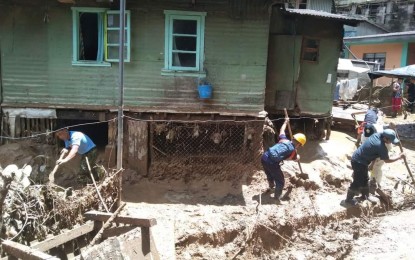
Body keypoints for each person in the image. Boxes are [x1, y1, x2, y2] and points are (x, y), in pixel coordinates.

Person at [340, 129, 405, 207]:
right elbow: (387, 160)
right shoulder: (381, 146)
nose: (391, 143)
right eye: (390, 141)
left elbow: (374, 153)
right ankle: (348, 200)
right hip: (358, 162)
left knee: (365, 179)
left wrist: (371, 164)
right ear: (385, 138)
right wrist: (399, 157)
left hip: (360, 159)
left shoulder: (377, 135)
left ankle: (365, 196)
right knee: (358, 182)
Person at [261, 118, 306, 205]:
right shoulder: (293, 151)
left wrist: (286, 122)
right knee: (280, 180)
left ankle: (271, 187)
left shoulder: (284, 139)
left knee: (269, 174)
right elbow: (293, 159)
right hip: (272, 163)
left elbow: (282, 130)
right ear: (299, 144)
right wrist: (298, 157)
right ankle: (276, 199)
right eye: (300, 146)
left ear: (293, 138)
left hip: (264, 157)